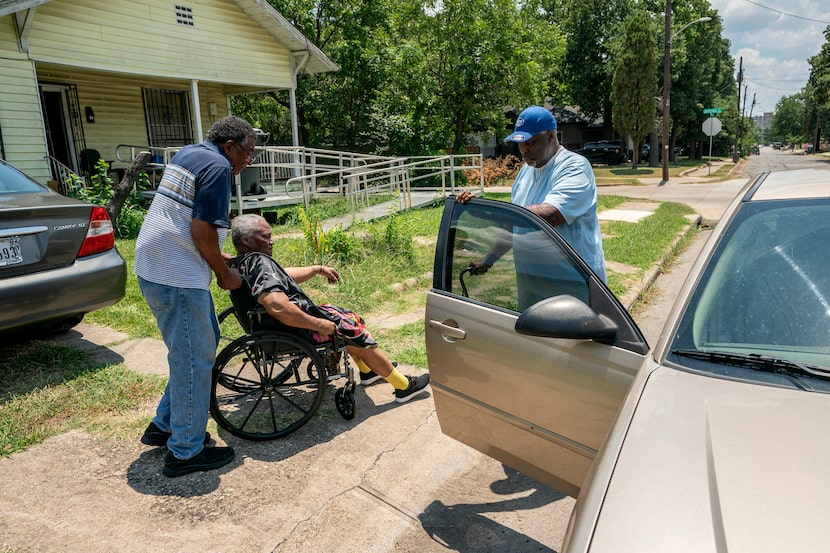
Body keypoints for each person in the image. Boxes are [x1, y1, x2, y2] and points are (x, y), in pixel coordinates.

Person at [135, 116, 255, 477]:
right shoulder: (219, 167)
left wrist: (218, 256)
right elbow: (201, 228)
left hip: (156, 267)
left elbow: (181, 218)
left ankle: (165, 425)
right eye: (248, 153)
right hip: (176, 275)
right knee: (194, 360)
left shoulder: (191, 154)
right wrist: (224, 272)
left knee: (192, 350)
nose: (249, 161)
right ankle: (185, 451)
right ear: (230, 146)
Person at [228, 214, 431, 403]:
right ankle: (403, 386)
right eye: (266, 236)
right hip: (297, 329)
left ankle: (368, 371)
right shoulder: (260, 262)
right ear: (246, 240)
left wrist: (316, 269)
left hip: (274, 326)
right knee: (353, 329)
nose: (272, 241)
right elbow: (276, 305)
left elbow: (281, 276)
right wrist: (318, 324)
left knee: (346, 316)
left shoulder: (244, 262)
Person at [457, 105, 607, 297]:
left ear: (551, 137)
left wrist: (489, 212)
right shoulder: (526, 172)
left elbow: (552, 215)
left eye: (531, 142)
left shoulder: (574, 167)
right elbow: (514, 226)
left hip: (570, 282)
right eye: (520, 143)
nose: (524, 150)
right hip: (531, 279)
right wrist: (489, 260)